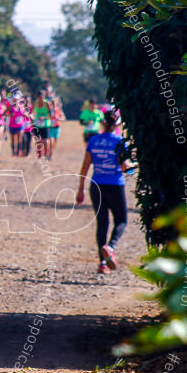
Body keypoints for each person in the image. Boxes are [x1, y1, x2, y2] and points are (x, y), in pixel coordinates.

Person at [75, 110, 135, 274]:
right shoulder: (120, 142)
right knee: (121, 220)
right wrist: (133, 168)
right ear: (117, 125)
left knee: (102, 223)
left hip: (96, 186)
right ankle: (111, 245)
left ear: (102, 123)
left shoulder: (93, 140)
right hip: (115, 186)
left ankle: (102, 263)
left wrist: (80, 189)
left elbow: (85, 166)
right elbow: (125, 168)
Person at [32, 92, 52, 160]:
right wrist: (32, 117)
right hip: (37, 124)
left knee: (45, 141)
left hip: (45, 124)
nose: (40, 99)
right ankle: (39, 155)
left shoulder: (47, 103)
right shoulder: (35, 103)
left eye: (42, 98)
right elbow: (32, 112)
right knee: (38, 141)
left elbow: (50, 115)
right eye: (39, 98)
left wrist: (44, 117)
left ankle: (46, 154)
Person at [7, 91, 26, 157]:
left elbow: (25, 113)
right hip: (12, 125)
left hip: (20, 125)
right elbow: (7, 113)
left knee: (19, 139)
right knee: (13, 140)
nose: (15, 101)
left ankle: (19, 151)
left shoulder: (22, 106)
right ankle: (13, 152)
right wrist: (10, 114)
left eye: (16, 100)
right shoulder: (10, 107)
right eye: (14, 100)